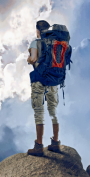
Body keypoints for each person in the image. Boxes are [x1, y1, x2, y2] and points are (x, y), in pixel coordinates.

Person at [26, 20, 61, 156]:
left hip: (39, 80)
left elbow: (33, 58)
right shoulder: (55, 44)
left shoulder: (36, 42)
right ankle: (55, 143)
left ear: (38, 31)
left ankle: (39, 145)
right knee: (53, 111)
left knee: (39, 111)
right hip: (53, 80)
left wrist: (29, 59)